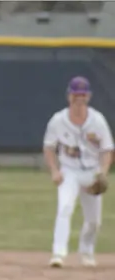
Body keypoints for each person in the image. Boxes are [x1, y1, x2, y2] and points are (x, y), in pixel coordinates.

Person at [43, 76, 114, 268]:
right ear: (69, 96)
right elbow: (49, 147)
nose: (79, 98)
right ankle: (58, 253)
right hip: (69, 171)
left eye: (82, 94)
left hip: (92, 172)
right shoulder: (58, 120)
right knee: (64, 208)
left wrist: (103, 173)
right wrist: (55, 171)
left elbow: (107, 149)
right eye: (76, 94)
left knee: (94, 221)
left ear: (88, 96)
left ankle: (87, 251)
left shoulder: (97, 121)